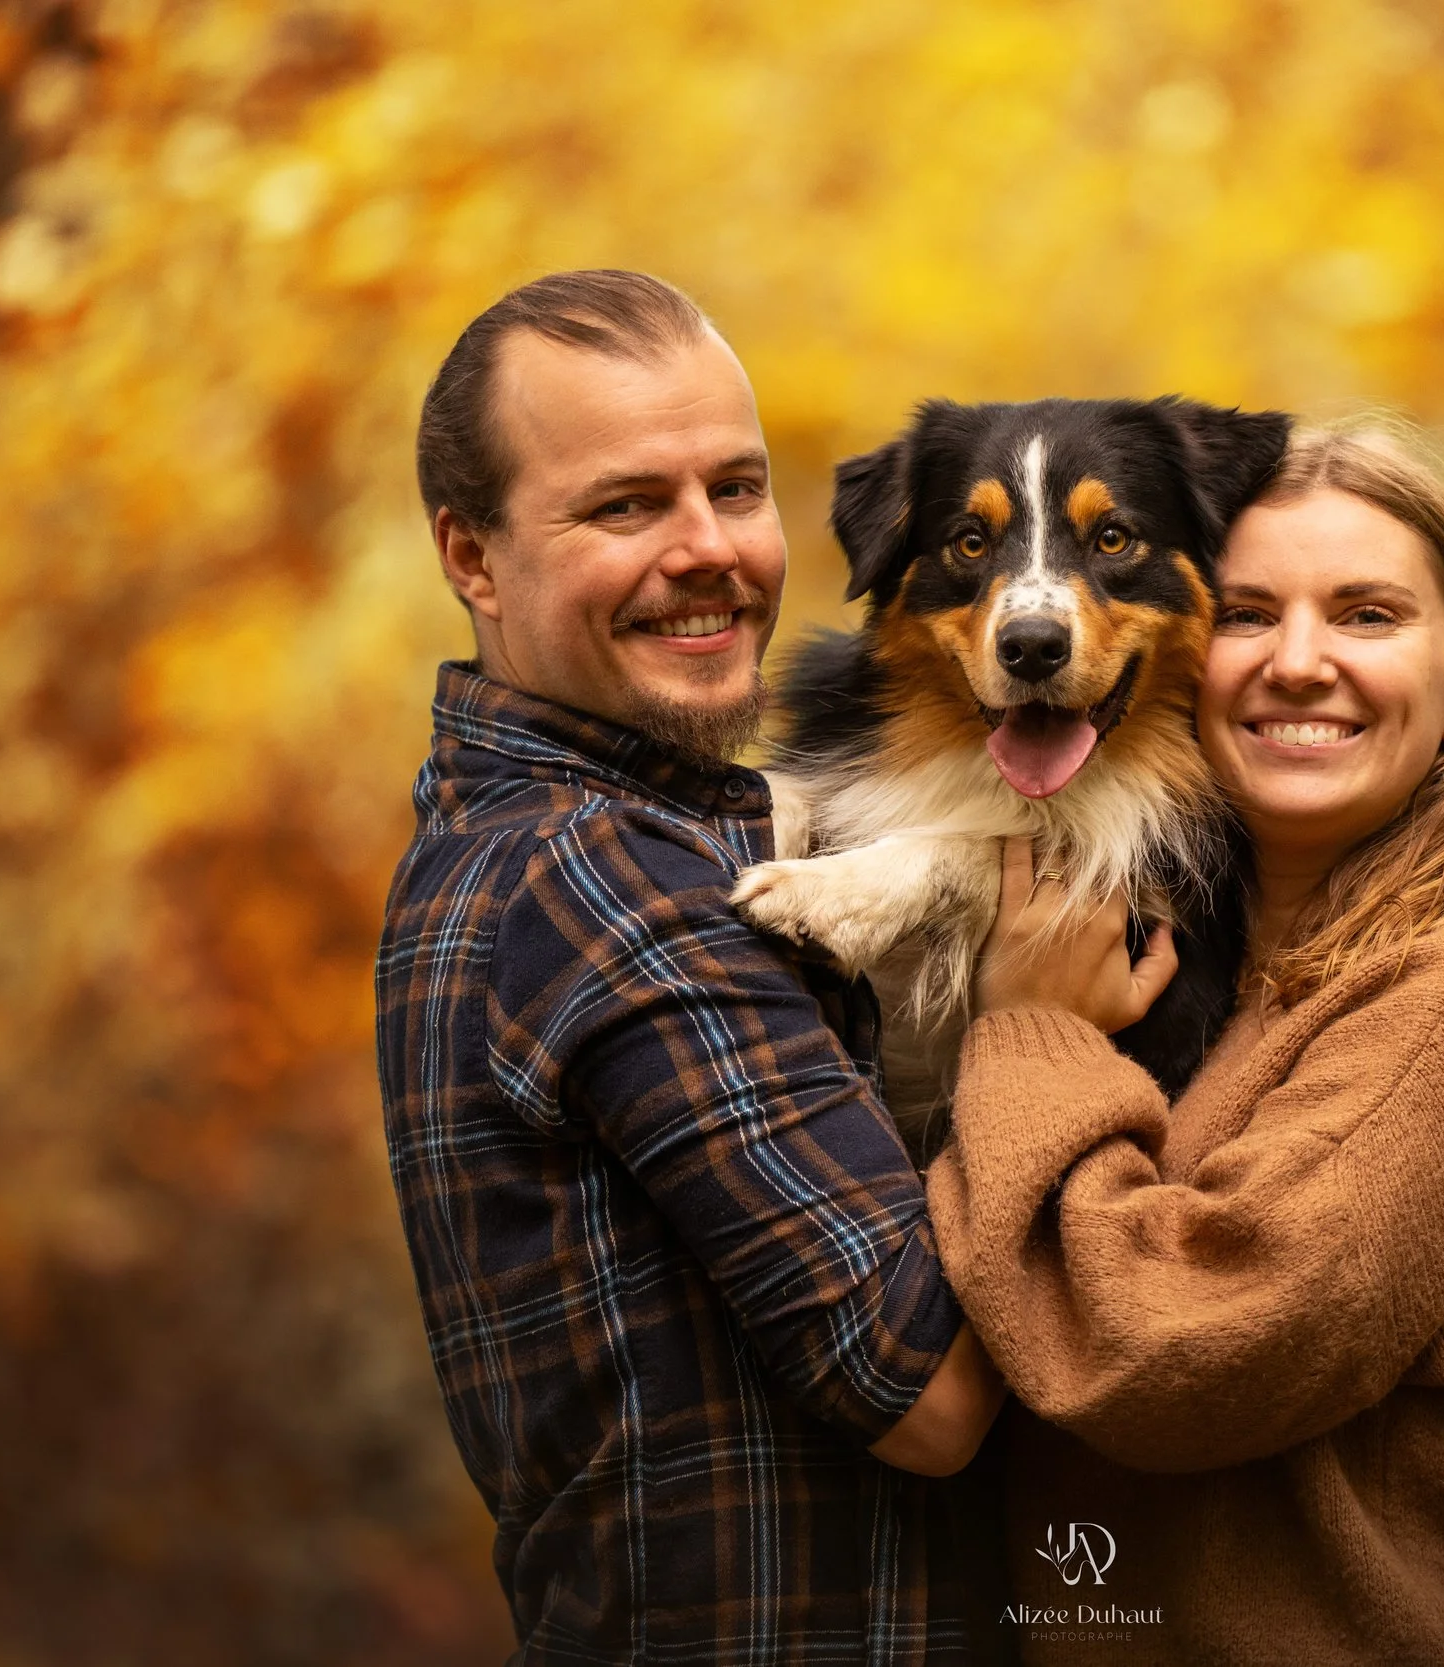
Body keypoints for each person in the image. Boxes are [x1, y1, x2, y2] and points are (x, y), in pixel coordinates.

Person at [927, 421, 1444, 1664]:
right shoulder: (1196, 977)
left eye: (1366, 615)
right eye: (1249, 614)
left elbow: (1175, 1348)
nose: (1298, 663)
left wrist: (1031, 1032)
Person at [374, 269, 1005, 1665]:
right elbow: (932, 1391)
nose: (709, 548)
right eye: (624, 506)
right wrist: (1048, 1034)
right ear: (472, 557)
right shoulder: (601, 876)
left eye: (736, 487)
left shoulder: (518, 840)